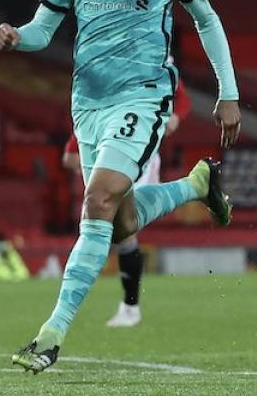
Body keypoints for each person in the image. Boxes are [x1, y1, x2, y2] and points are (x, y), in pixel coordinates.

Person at [0, 0, 242, 374]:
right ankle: (196, 185)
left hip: (144, 96)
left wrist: (229, 92)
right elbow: (43, 29)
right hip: (87, 105)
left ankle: (51, 334)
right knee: (120, 219)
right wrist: (18, 37)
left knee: (98, 198)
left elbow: (207, 20)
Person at [61, 79, 191, 327]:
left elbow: (181, 95)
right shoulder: (107, 84)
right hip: (115, 148)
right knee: (121, 233)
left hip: (137, 155)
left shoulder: (149, 62)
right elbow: (70, 156)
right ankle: (128, 307)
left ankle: (129, 308)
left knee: (123, 231)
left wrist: (176, 115)